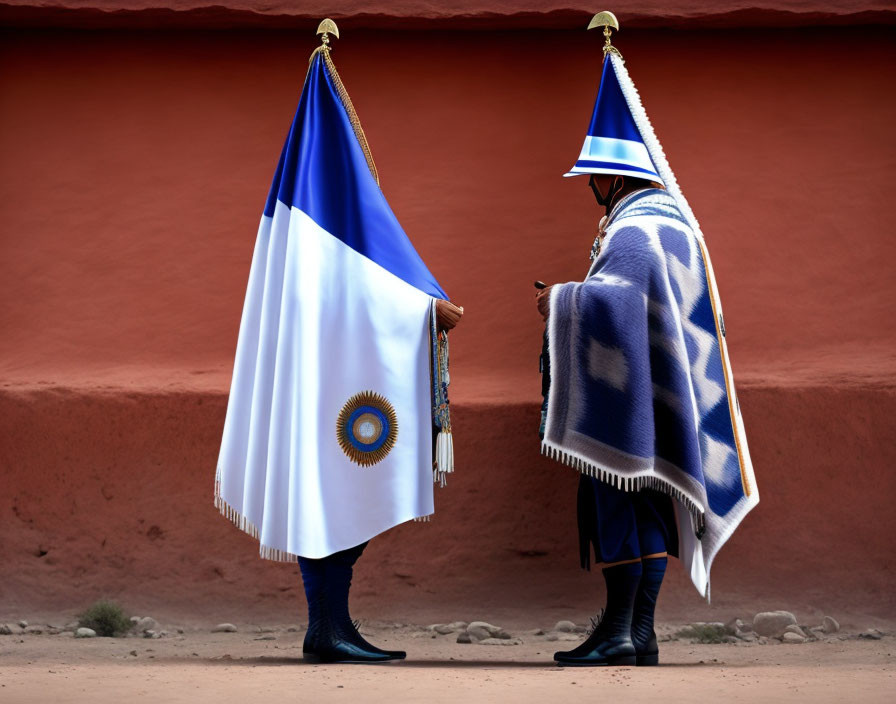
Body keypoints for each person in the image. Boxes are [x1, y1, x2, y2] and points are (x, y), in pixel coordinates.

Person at [214, 20, 463, 664]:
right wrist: (427, 310)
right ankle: (325, 628)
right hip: (323, 385)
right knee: (323, 491)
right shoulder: (310, 233)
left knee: (332, 491)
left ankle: (331, 625)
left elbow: (359, 291)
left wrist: (418, 307)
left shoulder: (304, 237)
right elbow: (362, 294)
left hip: (328, 384)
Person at [536, 12, 758, 667]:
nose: (591, 192)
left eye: (594, 180)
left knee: (617, 503)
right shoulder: (671, 224)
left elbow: (619, 302)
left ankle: (622, 632)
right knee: (652, 508)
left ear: (613, 176)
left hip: (630, 396)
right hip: (669, 394)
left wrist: (558, 301)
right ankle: (638, 630)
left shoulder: (634, 231)